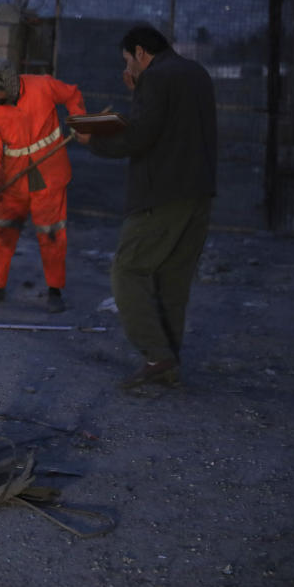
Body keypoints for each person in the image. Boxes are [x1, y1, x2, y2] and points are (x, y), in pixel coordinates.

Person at [78, 24, 217, 389]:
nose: (128, 69)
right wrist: (138, 92)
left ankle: (157, 356)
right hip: (198, 193)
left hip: (161, 194)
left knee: (127, 270)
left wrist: (92, 139)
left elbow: (139, 136)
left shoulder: (157, 78)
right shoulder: (195, 73)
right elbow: (167, 122)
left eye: (128, 60)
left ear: (140, 52)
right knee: (172, 280)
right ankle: (166, 362)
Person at [0, 59, 86, 313]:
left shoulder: (43, 86)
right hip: (13, 177)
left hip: (48, 171)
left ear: (10, 85)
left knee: (51, 231)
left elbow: (72, 94)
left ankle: (55, 291)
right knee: (1, 229)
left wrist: (79, 122)